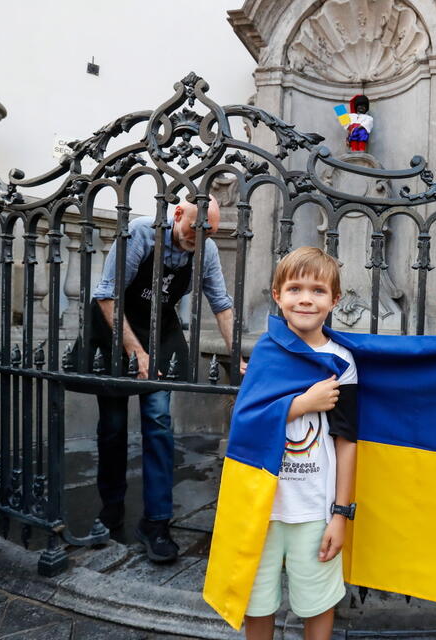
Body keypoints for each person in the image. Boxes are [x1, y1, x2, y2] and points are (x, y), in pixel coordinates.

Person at [90, 194, 241, 563]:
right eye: (197, 227)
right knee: (111, 425)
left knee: (158, 421)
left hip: (160, 327)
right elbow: (107, 296)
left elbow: (221, 304)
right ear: (177, 213)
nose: (201, 237)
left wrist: (238, 356)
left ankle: (156, 522)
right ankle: (110, 508)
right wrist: (135, 352)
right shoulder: (141, 233)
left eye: (211, 232)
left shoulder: (205, 250)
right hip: (115, 325)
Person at [242, 247, 358, 640]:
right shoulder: (266, 352)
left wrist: (340, 514)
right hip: (262, 507)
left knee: (318, 604)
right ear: (277, 295)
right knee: (256, 602)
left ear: (334, 300)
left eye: (317, 290)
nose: (305, 298)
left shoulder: (342, 360)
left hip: (315, 508)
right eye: (294, 288)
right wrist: (300, 405)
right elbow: (244, 424)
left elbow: (347, 441)